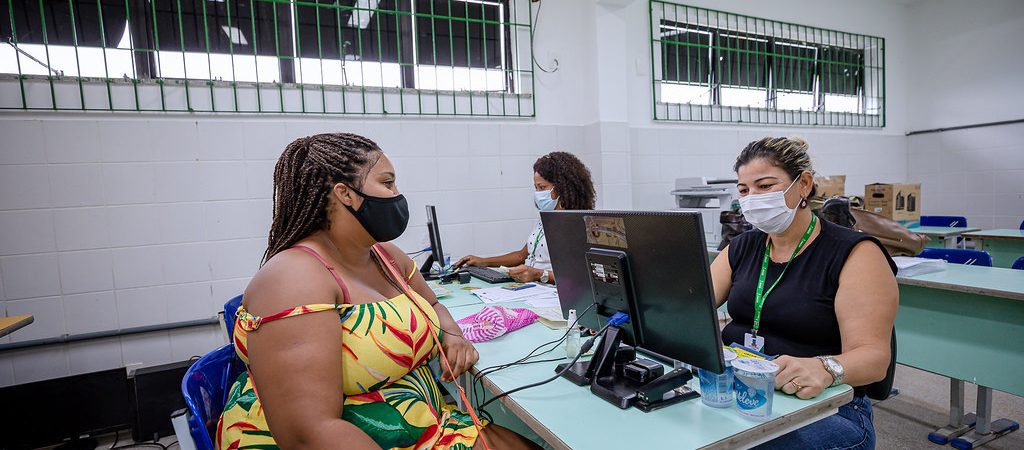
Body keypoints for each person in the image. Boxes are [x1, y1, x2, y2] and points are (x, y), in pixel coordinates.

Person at [217, 133, 539, 450]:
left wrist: (452, 335)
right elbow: (308, 435)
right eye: (388, 183)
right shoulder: (294, 279)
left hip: (426, 426)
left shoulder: (383, 255)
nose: (397, 195)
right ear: (345, 194)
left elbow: (432, 303)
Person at [710, 137, 898, 449]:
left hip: (826, 405)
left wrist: (825, 368)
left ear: (804, 185)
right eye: (744, 190)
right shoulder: (742, 247)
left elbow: (875, 359)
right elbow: (690, 306)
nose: (752, 198)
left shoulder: (855, 253)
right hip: (741, 387)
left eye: (765, 185)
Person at [455, 151, 596, 284]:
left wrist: (540, 275)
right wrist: (483, 261)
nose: (538, 193)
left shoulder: (578, 223)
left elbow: (581, 276)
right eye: (536, 188)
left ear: (562, 187)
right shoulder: (546, 218)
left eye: (542, 187)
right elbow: (521, 256)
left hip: (553, 293)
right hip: (532, 288)